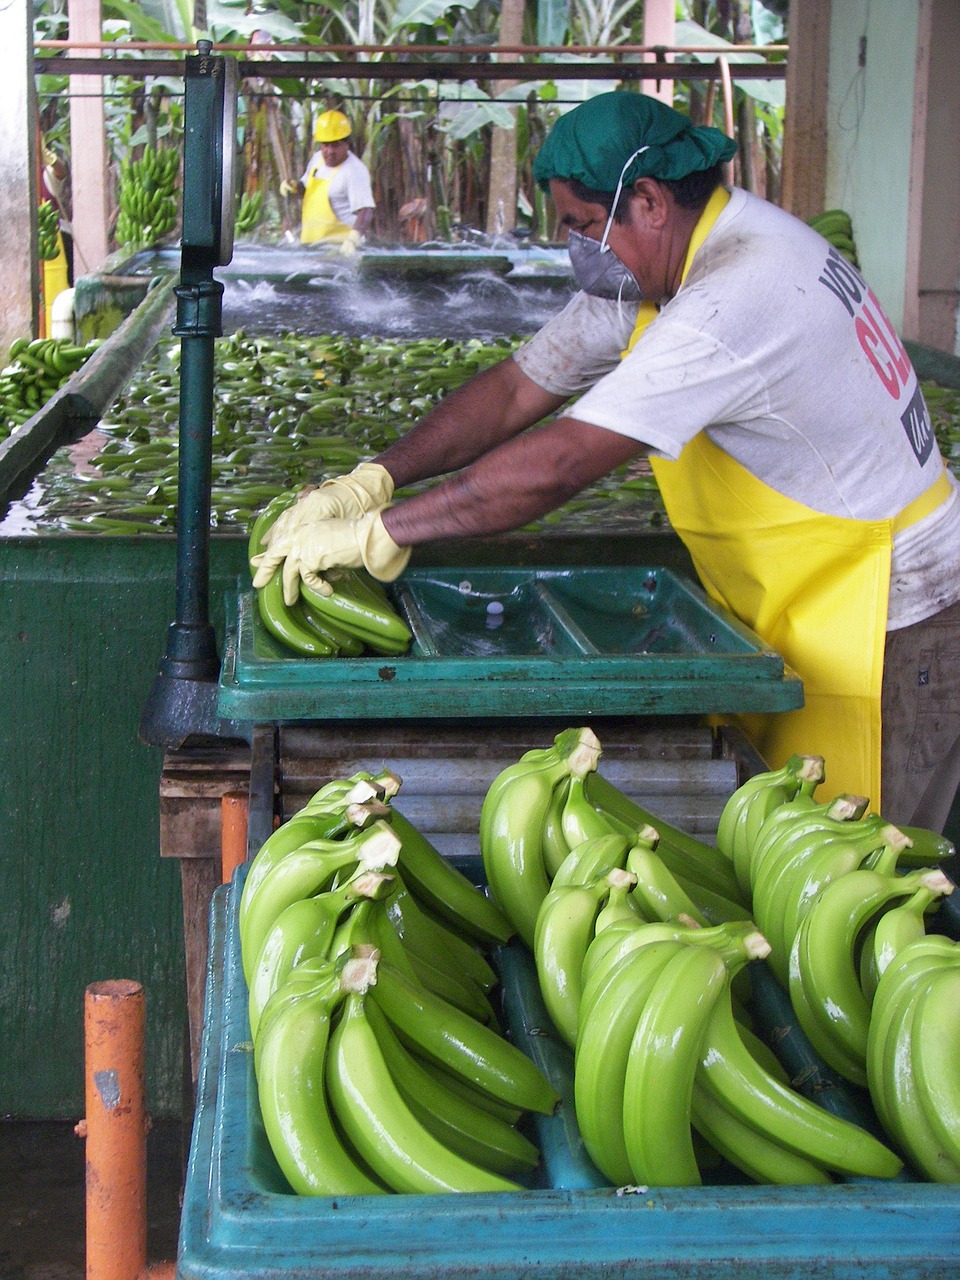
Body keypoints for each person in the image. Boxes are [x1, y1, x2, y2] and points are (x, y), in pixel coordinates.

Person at [253, 91, 960, 834]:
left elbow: (561, 462)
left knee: (876, 869)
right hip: (816, 595)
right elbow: (516, 389)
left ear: (649, 201)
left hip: (896, 615)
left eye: (587, 227)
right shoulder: (670, 261)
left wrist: (384, 532)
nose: (580, 250)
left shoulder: (733, 296)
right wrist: (374, 479)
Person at [280, 109, 375, 252]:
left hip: (339, 249)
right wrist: (294, 187)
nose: (329, 151)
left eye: (335, 145)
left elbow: (366, 210)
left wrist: (352, 240)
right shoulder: (317, 159)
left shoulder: (354, 171)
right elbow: (306, 190)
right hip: (311, 246)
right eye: (325, 145)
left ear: (346, 143)